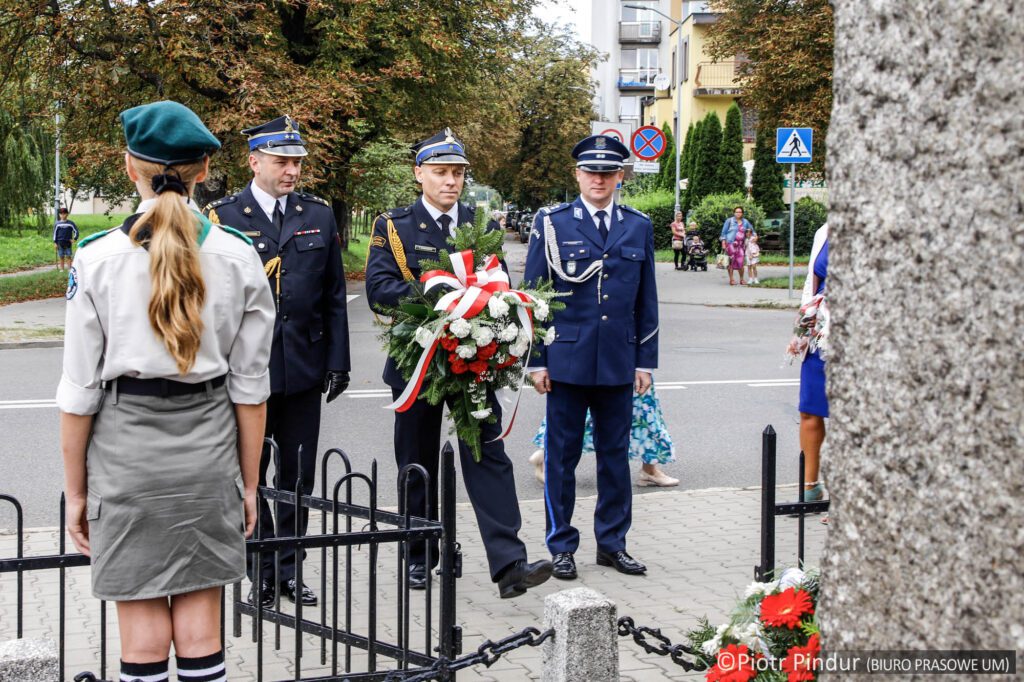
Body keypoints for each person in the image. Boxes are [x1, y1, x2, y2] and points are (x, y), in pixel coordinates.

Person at [57, 100, 275, 682]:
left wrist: (76, 496)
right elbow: (251, 391)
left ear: (131, 166)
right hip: (208, 451)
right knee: (203, 633)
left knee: (143, 639)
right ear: (204, 170)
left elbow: (79, 392)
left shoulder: (97, 257)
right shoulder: (240, 255)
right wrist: (249, 486)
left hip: (127, 456)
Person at [365, 128, 552, 599]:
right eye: (441, 172)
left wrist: (491, 311)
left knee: (487, 453)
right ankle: (418, 551)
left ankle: (509, 562)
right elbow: (379, 288)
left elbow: (500, 283)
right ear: (419, 174)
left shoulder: (480, 223)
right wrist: (443, 300)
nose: (451, 182)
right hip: (420, 362)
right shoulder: (395, 225)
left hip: (474, 360)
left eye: (458, 173)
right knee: (417, 458)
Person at [204, 114, 351, 608]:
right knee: (248, 473)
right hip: (247, 369)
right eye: (282, 161)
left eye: (297, 162)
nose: (292, 170)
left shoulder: (319, 214)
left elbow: (334, 295)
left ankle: (289, 569)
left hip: (304, 369)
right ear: (254, 161)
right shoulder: (224, 217)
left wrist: (338, 361)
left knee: (298, 475)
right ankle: (258, 569)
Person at [523, 134, 658, 581]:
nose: (599, 179)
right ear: (577, 175)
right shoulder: (552, 222)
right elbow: (535, 296)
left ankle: (613, 544)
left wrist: (645, 361)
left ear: (620, 176)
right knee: (561, 458)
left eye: (607, 172)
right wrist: (537, 361)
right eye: (591, 171)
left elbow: (647, 301)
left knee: (615, 457)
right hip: (567, 358)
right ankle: (561, 545)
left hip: (618, 359)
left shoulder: (638, 225)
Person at [528, 382, 679, 487]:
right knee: (642, 411)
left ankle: (546, 449)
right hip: (622, 363)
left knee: (586, 411)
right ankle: (649, 469)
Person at [791, 223, 829, 505]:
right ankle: (810, 487)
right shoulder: (823, 232)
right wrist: (801, 332)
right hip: (821, 332)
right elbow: (811, 282)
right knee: (810, 409)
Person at [720, 206, 755, 285]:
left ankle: (742, 279)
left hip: (741, 245)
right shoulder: (729, 221)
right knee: (731, 262)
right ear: (734, 213)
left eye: (740, 212)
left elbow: (752, 231)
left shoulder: (745, 222)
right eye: (736, 212)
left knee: (741, 262)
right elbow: (723, 233)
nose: (738, 213)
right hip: (730, 244)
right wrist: (723, 242)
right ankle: (731, 279)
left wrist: (755, 236)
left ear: (742, 213)